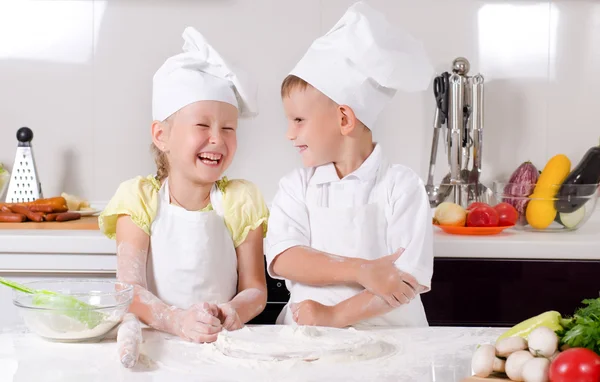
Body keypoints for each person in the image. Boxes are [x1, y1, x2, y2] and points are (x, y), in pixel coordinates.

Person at [265, 1, 435, 328]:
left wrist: (333, 316)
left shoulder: (402, 187)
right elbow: (285, 257)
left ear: (344, 118)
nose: (290, 133)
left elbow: (409, 277)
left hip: (393, 345)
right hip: (307, 344)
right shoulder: (296, 187)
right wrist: (362, 269)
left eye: (299, 120)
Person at [99, 27, 269, 343]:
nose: (217, 138)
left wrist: (233, 311)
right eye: (202, 125)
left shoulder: (241, 200)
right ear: (161, 135)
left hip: (220, 343)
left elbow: (255, 290)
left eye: (229, 128)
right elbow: (130, 289)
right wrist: (178, 321)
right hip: (158, 343)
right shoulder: (138, 200)